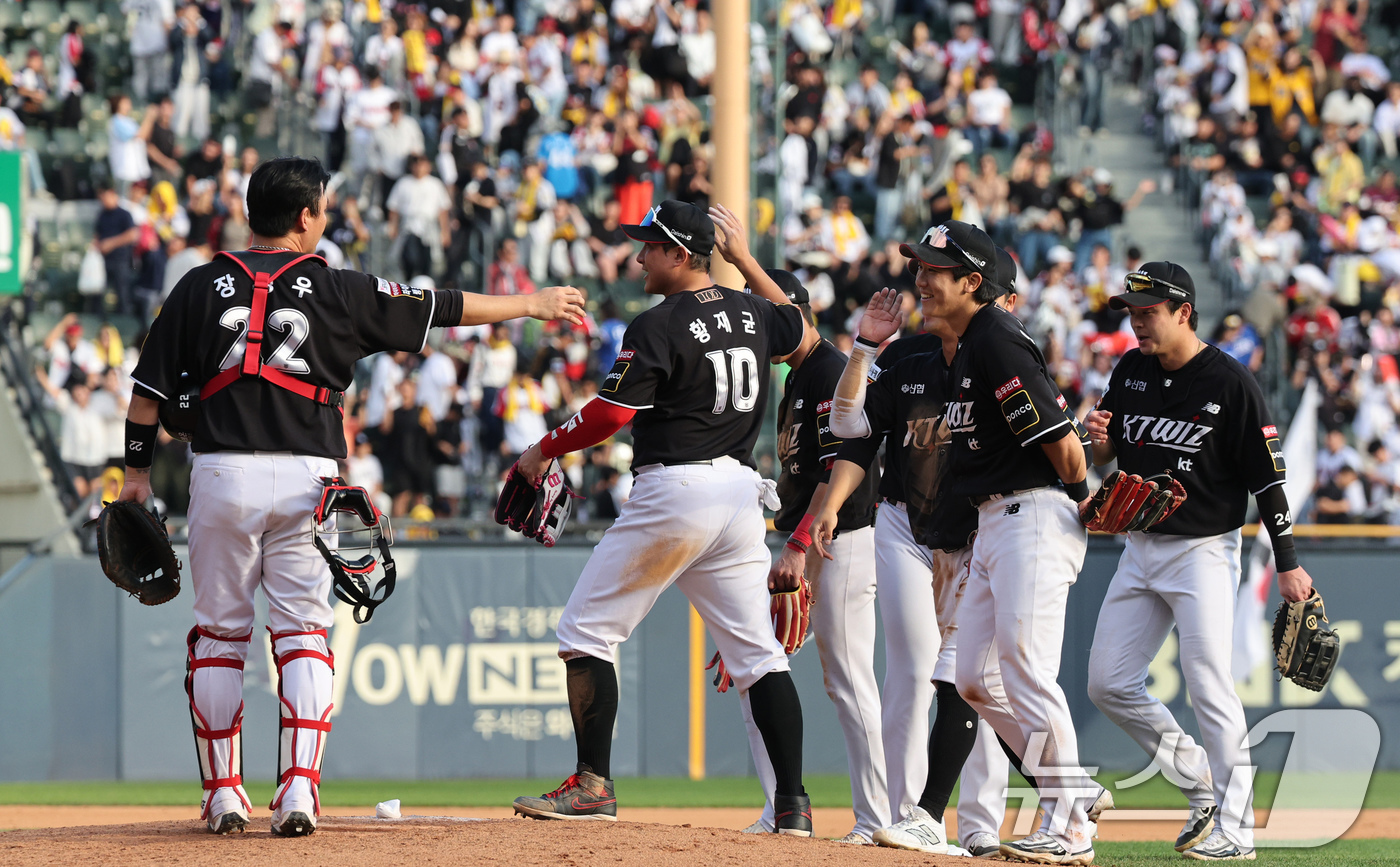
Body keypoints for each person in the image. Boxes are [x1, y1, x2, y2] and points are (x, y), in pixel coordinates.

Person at [117, 156, 584, 838]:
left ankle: (224, 795)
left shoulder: (197, 284)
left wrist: (134, 476)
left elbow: (146, 399)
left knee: (219, 633)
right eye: (324, 208)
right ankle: (299, 790)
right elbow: (442, 307)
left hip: (220, 473)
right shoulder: (337, 287)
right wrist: (530, 303)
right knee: (303, 631)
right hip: (311, 477)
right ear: (306, 217)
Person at [508, 200, 813, 835]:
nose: (639, 255)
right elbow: (795, 322)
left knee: (585, 632)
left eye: (651, 244)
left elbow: (612, 414)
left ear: (681, 254)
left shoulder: (658, 324)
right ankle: (794, 807)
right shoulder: (755, 311)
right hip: (738, 495)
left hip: (677, 489)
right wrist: (745, 261)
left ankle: (592, 785)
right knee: (759, 655)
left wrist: (544, 448)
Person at [1084, 261, 1318, 860]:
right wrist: (1097, 437)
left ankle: (1237, 833)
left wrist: (1287, 560)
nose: (1136, 324)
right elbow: (1108, 446)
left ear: (1184, 311)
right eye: (1131, 313)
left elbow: (1267, 481)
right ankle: (1201, 784)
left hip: (1203, 552)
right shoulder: (1132, 368)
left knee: (1210, 682)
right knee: (1107, 683)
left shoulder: (1230, 381)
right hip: (1139, 547)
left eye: (1148, 313)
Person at [910, 220, 1098, 863]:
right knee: (974, 681)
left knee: (1023, 670)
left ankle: (1071, 827)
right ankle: (1071, 787)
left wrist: (1080, 492)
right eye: (922, 266)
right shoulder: (968, 348)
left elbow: (1064, 449)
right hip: (996, 522)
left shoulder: (997, 340)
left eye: (937, 270)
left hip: (1034, 517)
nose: (922, 279)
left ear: (973, 282)